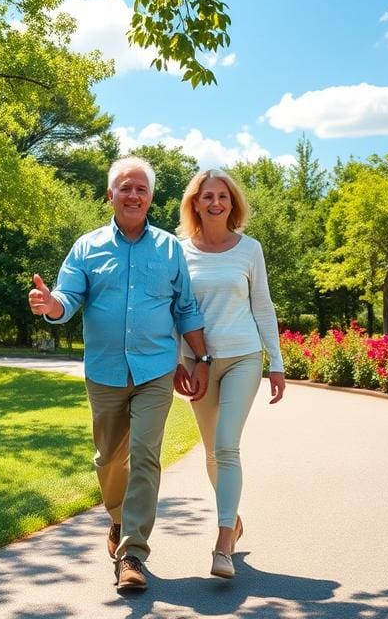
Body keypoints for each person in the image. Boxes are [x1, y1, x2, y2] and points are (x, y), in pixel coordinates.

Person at [28, 156, 211, 592]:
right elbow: (67, 297)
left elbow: (185, 308)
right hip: (105, 371)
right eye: (125, 188)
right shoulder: (87, 247)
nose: (133, 195)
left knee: (145, 456)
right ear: (110, 194)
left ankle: (132, 554)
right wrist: (52, 305)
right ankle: (117, 518)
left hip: (155, 370)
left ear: (151, 197)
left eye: (141, 189)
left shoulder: (170, 249)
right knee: (109, 459)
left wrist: (201, 360)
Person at [174, 168, 286, 579]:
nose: (215, 202)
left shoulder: (250, 249)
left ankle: (223, 543)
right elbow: (175, 310)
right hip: (196, 361)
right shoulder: (179, 252)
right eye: (207, 196)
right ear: (195, 203)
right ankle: (233, 519)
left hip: (242, 356)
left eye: (222, 196)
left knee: (226, 445)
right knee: (211, 451)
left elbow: (263, 307)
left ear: (232, 202)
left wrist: (276, 362)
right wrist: (177, 360)